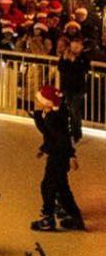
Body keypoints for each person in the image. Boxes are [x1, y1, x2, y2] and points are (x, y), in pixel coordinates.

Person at [31, 84, 84, 231]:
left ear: (47, 102)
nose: (36, 100)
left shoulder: (53, 118)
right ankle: (74, 217)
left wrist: (71, 156)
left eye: (38, 99)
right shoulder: (50, 115)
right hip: (57, 156)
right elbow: (49, 135)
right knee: (61, 189)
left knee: (48, 186)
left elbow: (62, 138)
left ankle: (48, 218)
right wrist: (44, 148)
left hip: (58, 158)